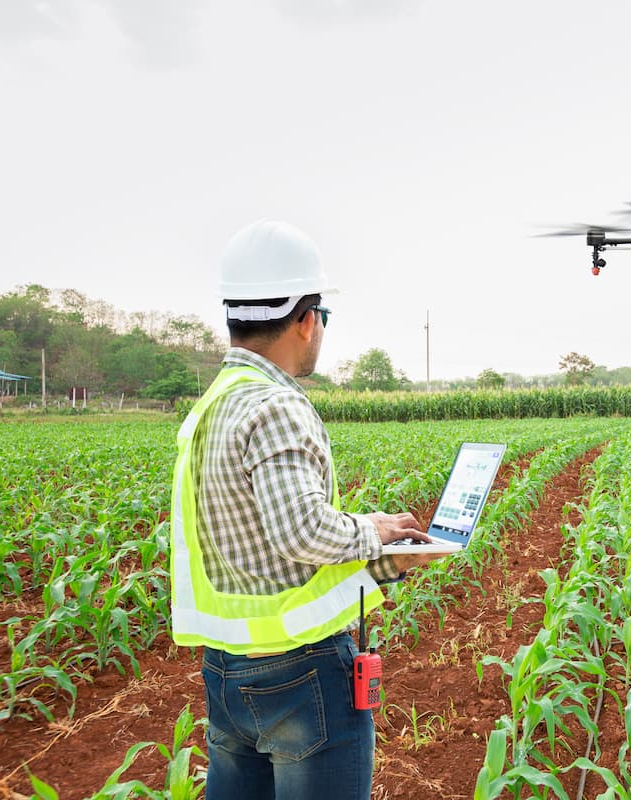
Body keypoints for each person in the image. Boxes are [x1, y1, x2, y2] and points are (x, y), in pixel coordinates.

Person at [169, 219, 442, 799]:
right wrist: (373, 536)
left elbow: (265, 555)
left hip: (226, 674)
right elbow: (300, 532)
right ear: (304, 318)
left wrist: (383, 553)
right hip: (299, 678)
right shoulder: (275, 404)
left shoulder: (211, 408)